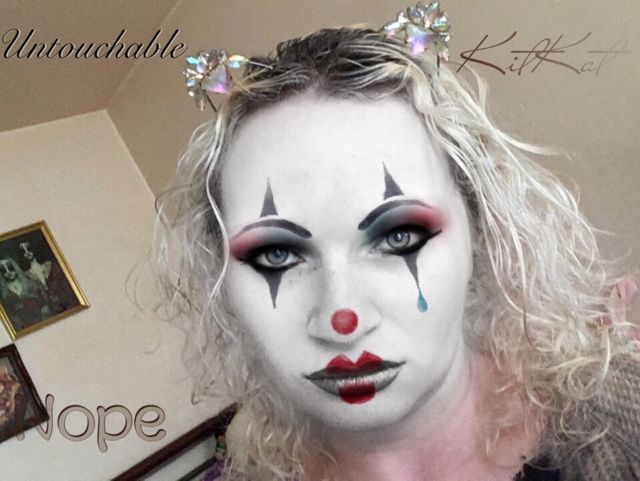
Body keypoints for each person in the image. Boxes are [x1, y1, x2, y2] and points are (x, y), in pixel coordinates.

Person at [155, 4, 640, 480]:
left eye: (399, 236)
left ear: (480, 230)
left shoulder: (622, 415)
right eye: (277, 254)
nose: (341, 320)